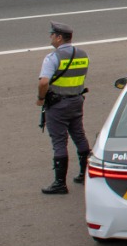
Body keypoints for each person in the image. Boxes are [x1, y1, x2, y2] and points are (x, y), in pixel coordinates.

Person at [37, 21, 91, 195]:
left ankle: (60, 183)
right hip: (76, 100)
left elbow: (44, 81)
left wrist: (40, 98)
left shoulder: (52, 57)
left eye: (52, 34)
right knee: (79, 135)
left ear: (59, 37)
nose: (50, 37)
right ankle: (84, 174)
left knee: (59, 141)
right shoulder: (83, 54)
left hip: (58, 104)